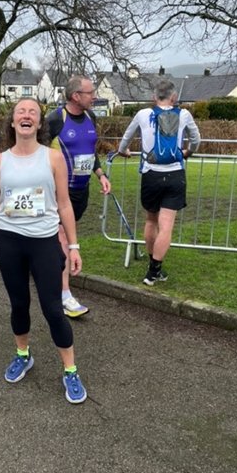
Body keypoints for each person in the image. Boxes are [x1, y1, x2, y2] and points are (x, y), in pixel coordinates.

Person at [0, 98, 87, 404]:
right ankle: (23, 355)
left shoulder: (52, 158)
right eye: (20, 112)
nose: (26, 116)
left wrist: (74, 245)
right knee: (19, 304)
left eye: (33, 113)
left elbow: (64, 204)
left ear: (39, 124)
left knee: (53, 309)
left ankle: (71, 370)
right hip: (10, 240)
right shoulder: (0, 161)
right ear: (12, 122)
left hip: (44, 242)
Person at [117, 79, 202, 286]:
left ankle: (151, 265)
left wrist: (123, 151)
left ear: (154, 98)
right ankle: (154, 271)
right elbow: (196, 140)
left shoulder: (143, 114)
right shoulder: (184, 115)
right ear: (174, 98)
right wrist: (187, 152)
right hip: (175, 175)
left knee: (150, 222)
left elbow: (126, 139)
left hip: (151, 174)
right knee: (166, 227)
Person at [45, 75, 112, 317]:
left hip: (81, 191)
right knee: (65, 241)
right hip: (57, 193)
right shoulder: (55, 119)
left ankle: (42, 267)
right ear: (76, 96)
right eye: (90, 92)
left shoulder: (91, 117)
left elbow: (90, 152)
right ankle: (64, 295)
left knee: (60, 240)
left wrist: (101, 174)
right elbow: (37, 152)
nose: (95, 96)